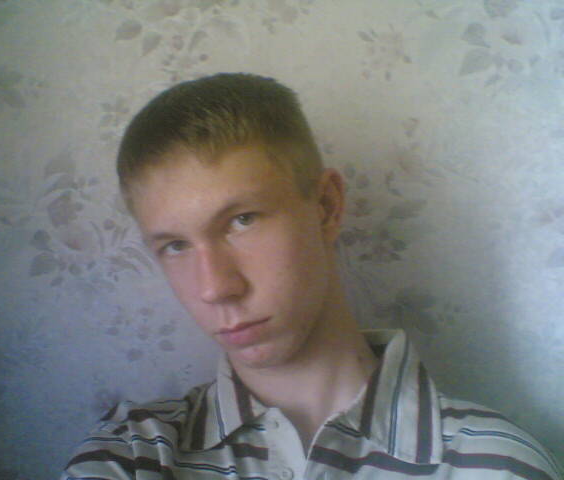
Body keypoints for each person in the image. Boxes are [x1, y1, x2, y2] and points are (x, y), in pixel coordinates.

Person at [61, 73, 561, 479]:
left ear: (326, 206)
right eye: (175, 246)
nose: (215, 288)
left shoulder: (497, 466)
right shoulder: (131, 457)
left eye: (242, 220)